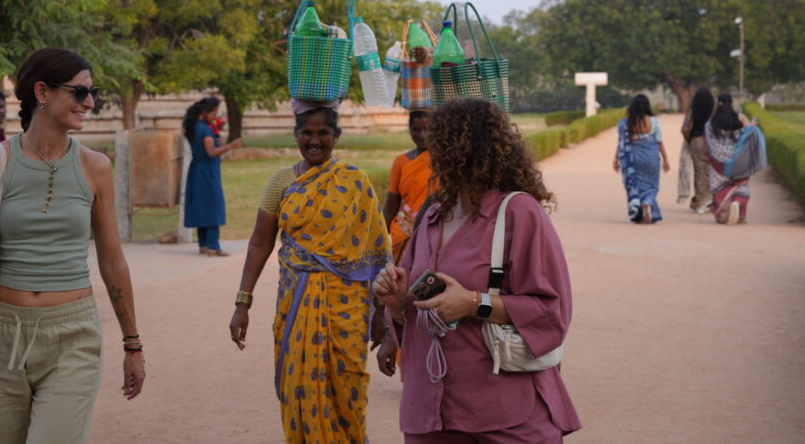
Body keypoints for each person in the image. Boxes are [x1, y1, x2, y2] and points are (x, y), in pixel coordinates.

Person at [0, 47, 145, 442]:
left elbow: (112, 261)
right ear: (42, 92)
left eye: (91, 92)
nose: (90, 102)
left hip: (72, 337)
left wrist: (133, 343)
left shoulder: (95, 167)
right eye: (80, 93)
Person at [373, 98, 580, 442]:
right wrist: (396, 302)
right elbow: (412, 308)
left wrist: (473, 303)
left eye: (443, 144)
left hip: (501, 408)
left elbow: (552, 312)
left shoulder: (518, 213)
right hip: (431, 410)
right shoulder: (434, 216)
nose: (434, 155)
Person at [229, 104, 392, 443]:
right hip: (296, 298)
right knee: (300, 386)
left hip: (347, 308)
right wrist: (242, 302)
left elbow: (378, 252)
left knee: (347, 382)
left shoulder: (355, 182)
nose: (315, 141)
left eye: (323, 133)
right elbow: (260, 242)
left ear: (336, 136)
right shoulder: (281, 181)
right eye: (307, 132)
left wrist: (383, 312)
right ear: (295, 135)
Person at [182, 97, 242, 256]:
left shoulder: (195, 126)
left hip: (196, 170)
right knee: (212, 206)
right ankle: (213, 246)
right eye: (214, 112)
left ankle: (203, 244)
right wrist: (230, 145)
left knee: (202, 205)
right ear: (205, 112)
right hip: (207, 171)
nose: (215, 116)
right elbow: (211, 152)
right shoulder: (205, 130)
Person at [383, 110, 434, 263]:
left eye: (427, 129)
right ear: (409, 129)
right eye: (416, 129)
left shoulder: (444, 160)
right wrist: (379, 238)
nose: (421, 135)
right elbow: (391, 205)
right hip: (403, 229)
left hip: (432, 227)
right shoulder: (401, 162)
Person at [613, 94, 670, 223]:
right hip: (651, 158)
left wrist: (615, 160)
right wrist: (666, 159)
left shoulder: (626, 123)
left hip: (633, 160)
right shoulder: (654, 122)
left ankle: (638, 211)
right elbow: (659, 142)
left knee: (635, 186)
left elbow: (621, 143)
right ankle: (647, 202)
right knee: (652, 186)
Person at [706, 93, 756, 224]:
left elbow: (707, 141)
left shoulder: (712, 122)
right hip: (738, 159)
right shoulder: (740, 118)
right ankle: (738, 204)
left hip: (719, 164)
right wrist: (753, 124)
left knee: (719, 187)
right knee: (741, 185)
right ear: (731, 103)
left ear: (718, 103)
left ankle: (723, 214)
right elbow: (749, 133)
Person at [681, 87, 715, 213]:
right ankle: (713, 200)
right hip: (712, 141)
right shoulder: (714, 109)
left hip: (697, 140)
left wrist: (688, 139)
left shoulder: (692, 110)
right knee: (713, 171)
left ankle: (701, 201)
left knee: (700, 172)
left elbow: (685, 128)